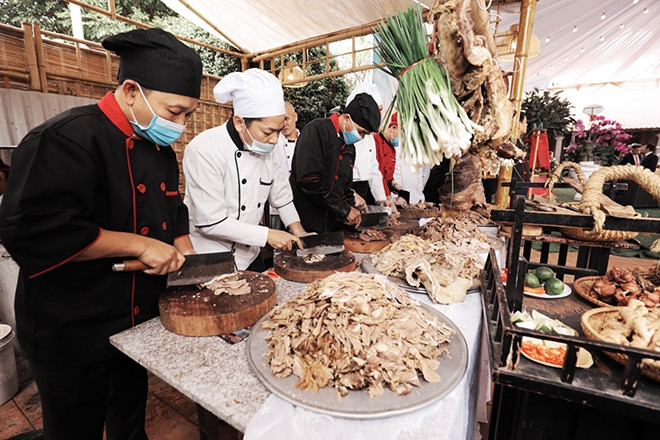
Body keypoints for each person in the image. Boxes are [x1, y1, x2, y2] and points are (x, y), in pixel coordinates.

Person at [0, 28, 202, 440]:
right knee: (75, 432)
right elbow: (35, 229)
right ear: (131, 90)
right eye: (174, 111)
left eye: (187, 116)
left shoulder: (158, 150)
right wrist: (141, 245)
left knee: (129, 423)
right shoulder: (64, 140)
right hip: (71, 327)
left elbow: (172, 210)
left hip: (133, 321)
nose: (180, 125)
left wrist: (191, 263)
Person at [183, 69, 305, 272]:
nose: (275, 140)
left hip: (249, 255)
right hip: (210, 257)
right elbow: (211, 222)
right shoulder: (204, 149)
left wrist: (298, 230)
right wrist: (267, 235)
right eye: (268, 132)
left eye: (278, 130)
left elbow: (282, 197)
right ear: (240, 122)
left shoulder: (269, 147)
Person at [289, 92, 381, 233]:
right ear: (345, 119)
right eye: (361, 132)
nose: (361, 138)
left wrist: (352, 209)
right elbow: (308, 180)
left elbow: (345, 186)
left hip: (334, 225)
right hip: (308, 224)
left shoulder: (349, 147)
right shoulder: (316, 130)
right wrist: (344, 209)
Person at [346, 83, 396, 213]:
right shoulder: (344, 135)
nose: (377, 114)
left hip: (364, 190)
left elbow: (374, 170)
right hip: (346, 192)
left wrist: (381, 199)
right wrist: (351, 194)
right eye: (376, 109)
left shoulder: (369, 137)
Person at [269, 101, 299, 230]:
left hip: (298, 205)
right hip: (274, 207)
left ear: (295, 117)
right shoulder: (272, 142)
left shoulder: (306, 141)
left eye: (287, 119)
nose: (284, 124)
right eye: (281, 120)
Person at [373, 112, 405, 206]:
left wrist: (393, 184)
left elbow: (387, 176)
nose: (401, 138)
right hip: (374, 195)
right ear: (393, 128)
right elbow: (377, 173)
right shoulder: (375, 141)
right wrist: (388, 197)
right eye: (401, 134)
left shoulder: (392, 150)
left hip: (384, 195)